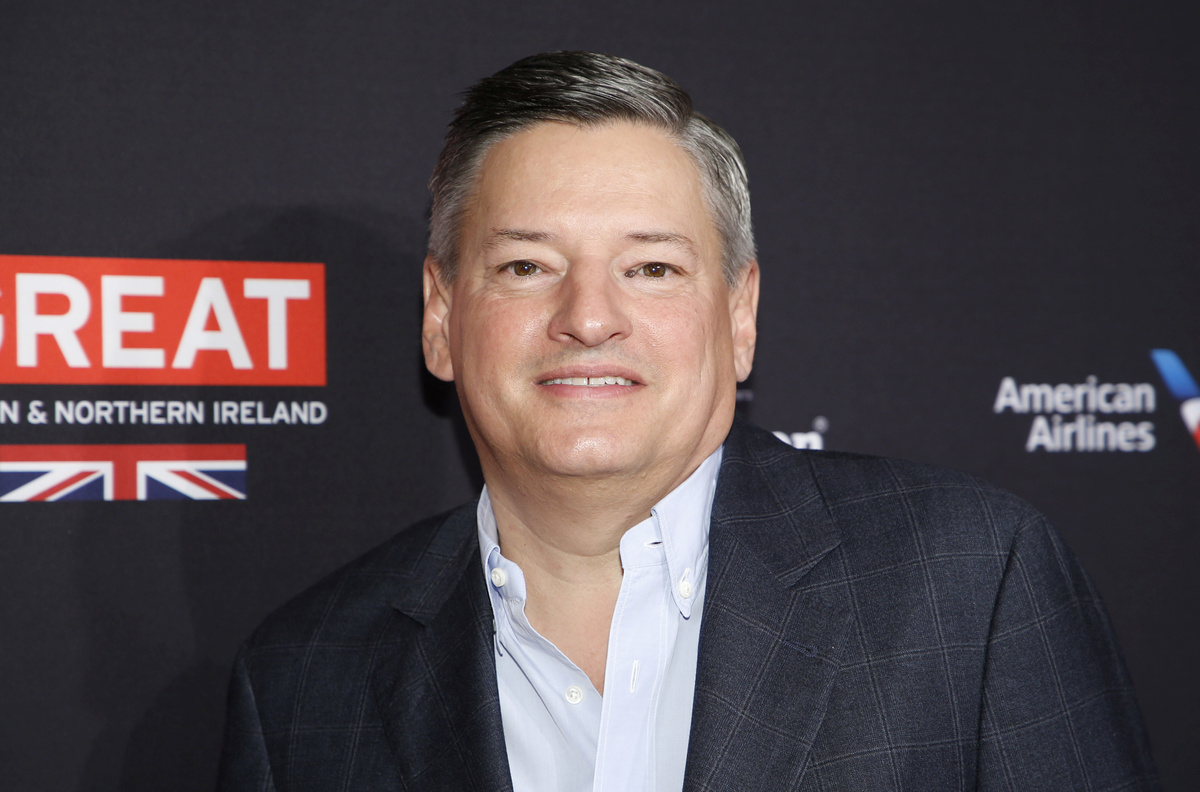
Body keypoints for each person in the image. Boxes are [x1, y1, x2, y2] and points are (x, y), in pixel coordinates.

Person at [217, 52, 1158, 791]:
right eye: (526, 266)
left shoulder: (970, 581)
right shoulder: (303, 678)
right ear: (439, 317)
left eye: (652, 268)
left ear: (740, 316)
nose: (589, 317)